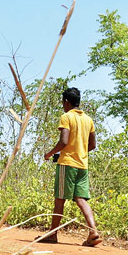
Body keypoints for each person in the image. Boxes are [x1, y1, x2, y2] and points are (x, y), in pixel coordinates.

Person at [39, 87, 102, 246]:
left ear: (66, 102)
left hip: (67, 164)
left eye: (63, 102)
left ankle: (53, 234)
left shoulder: (66, 117)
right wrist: (79, 151)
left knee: (59, 199)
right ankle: (93, 231)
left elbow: (64, 141)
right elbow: (93, 144)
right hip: (82, 165)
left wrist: (49, 153)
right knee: (80, 198)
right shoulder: (88, 119)